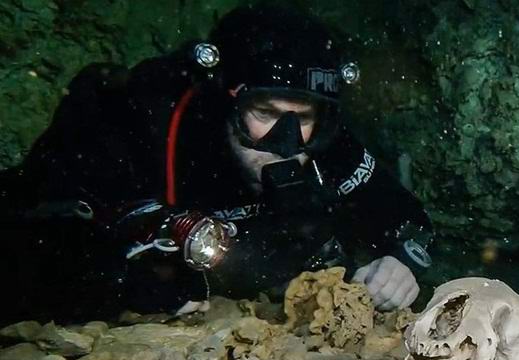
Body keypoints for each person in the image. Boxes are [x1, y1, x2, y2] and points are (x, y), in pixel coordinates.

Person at [0, 5, 433, 325]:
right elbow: (37, 237)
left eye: (300, 118)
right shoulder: (145, 126)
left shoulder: (324, 143)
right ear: (225, 102)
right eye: (264, 112)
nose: (284, 142)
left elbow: (406, 218)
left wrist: (399, 263)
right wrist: (125, 281)